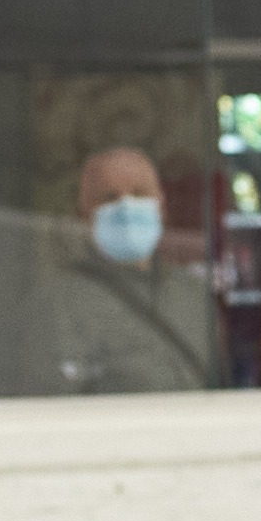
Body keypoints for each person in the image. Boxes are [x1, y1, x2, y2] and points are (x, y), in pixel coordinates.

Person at [44, 146, 212, 395]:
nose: (126, 206)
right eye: (110, 198)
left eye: (140, 193)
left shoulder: (194, 293)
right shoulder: (58, 303)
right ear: (84, 217)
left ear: (162, 207)